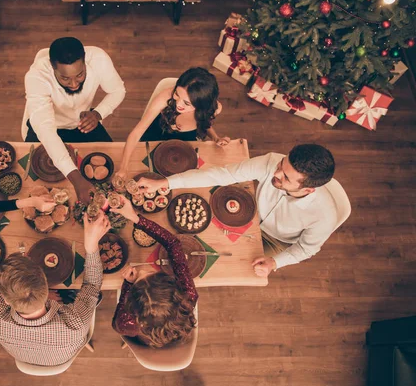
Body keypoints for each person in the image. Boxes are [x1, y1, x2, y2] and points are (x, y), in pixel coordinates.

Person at [136, 144, 339, 277]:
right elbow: (220, 176)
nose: (275, 173)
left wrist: (274, 263)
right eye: (281, 165)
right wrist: (166, 182)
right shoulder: (270, 163)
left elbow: (306, 249)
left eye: (286, 177)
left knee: (229, 269)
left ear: (308, 189)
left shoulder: (325, 217)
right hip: (250, 213)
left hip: (277, 240)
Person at [0, 211, 111, 366]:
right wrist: (91, 244)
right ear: (46, 285)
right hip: (60, 357)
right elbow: (92, 285)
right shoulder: (75, 325)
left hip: (27, 358)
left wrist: (15, 279)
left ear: (5, 299)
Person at [24, 37, 126, 204]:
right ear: (52, 66)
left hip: (83, 122)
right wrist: (77, 181)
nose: (74, 84)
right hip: (49, 127)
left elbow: (118, 90)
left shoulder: (98, 58)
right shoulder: (36, 76)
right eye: (65, 78)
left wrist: (98, 113)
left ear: (85, 60)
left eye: (80, 75)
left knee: (110, 166)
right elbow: (47, 132)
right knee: (35, 182)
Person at [110, 195, 198, 348]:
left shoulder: (125, 322)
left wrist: (127, 285)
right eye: (150, 274)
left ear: (132, 306)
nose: (143, 270)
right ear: (171, 284)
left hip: (146, 339)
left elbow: (117, 325)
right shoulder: (187, 294)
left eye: (140, 278)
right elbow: (172, 243)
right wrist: (136, 218)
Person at [115, 67, 230, 181]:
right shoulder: (165, 97)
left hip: (183, 148)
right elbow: (137, 132)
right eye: (177, 94)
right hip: (155, 137)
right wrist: (123, 168)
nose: (178, 103)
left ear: (202, 105)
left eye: (186, 103)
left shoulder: (214, 108)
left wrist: (215, 137)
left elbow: (205, 123)